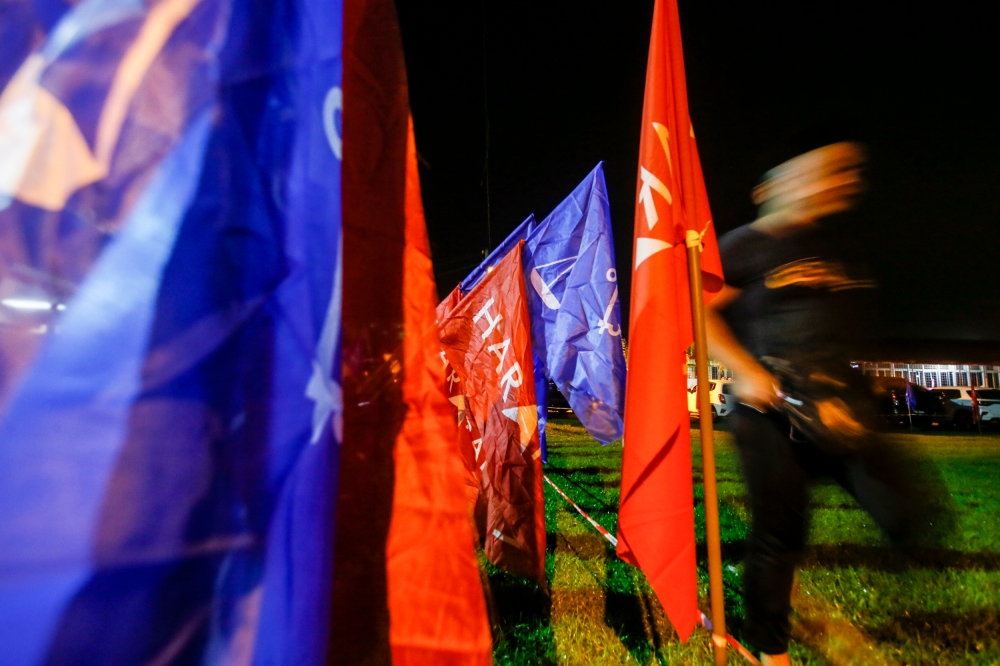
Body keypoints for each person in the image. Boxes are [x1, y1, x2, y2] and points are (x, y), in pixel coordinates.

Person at [705, 141, 952, 665]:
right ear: (767, 189)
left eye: (837, 173)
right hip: (772, 412)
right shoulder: (744, 244)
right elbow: (699, 313)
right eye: (810, 172)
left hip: (842, 411)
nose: (827, 181)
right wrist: (746, 370)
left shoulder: (838, 250)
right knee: (780, 535)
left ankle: (877, 600)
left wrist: (865, 385)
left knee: (909, 513)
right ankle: (772, 647)